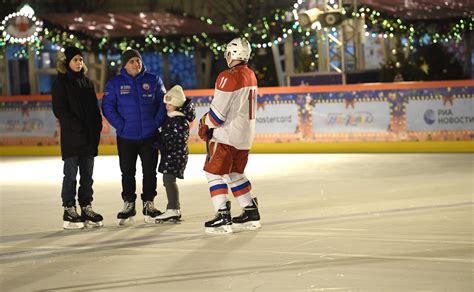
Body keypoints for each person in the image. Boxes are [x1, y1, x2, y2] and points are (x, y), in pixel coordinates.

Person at [198, 38, 261, 234]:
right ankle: (250, 211)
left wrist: (204, 123)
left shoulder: (228, 76)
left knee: (213, 172)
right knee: (234, 173)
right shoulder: (250, 75)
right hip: (244, 136)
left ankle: (222, 214)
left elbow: (216, 117)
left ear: (232, 54)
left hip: (227, 136)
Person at [102, 49, 167, 225]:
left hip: (150, 135)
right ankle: (129, 203)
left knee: (149, 172)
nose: (135, 64)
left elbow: (164, 102)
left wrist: (156, 123)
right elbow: (107, 107)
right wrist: (121, 125)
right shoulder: (115, 84)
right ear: (124, 64)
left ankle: (149, 204)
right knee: (128, 172)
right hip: (126, 137)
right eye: (131, 61)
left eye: (138, 60)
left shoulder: (153, 79)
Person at [52, 46, 104, 229]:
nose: (79, 63)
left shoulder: (88, 83)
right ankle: (69, 208)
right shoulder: (61, 83)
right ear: (66, 62)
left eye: (81, 59)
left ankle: (86, 207)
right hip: (73, 137)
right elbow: (59, 109)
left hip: (89, 138)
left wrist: (97, 127)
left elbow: (94, 109)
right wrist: (76, 126)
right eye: (75, 60)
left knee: (88, 176)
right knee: (71, 175)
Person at [154, 85, 195, 223]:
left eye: (170, 103)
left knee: (169, 180)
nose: (167, 106)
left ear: (177, 104)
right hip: (172, 154)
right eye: (166, 103)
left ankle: (173, 208)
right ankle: (173, 208)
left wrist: (162, 144)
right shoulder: (172, 117)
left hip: (176, 155)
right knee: (168, 180)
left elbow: (178, 140)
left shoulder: (179, 120)